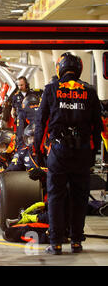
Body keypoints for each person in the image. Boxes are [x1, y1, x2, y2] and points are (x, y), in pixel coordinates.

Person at [34, 52, 102, 255]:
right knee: (80, 197)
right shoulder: (89, 91)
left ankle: (55, 243)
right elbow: (96, 126)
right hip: (82, 152)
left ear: (60, 68)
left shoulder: (51, 89)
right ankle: (76, 242)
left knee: (55, 195)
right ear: (79, 68)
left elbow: (41, 123)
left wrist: (38, 151)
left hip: (59, 151)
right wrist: (93, 153)